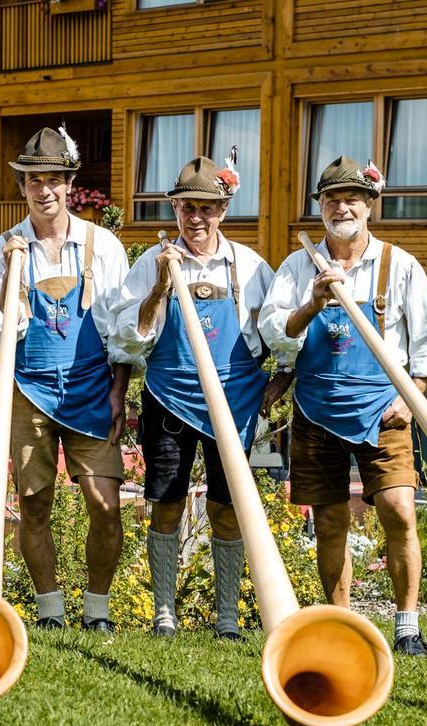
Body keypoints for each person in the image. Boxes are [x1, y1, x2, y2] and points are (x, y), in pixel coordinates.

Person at [260, 155, 427, 656]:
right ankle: (341, 624)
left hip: (384, 409)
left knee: (399, 511)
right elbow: (274, 331)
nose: (341, 207)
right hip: (316, 410)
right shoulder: (299, 265)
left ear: (369, 206)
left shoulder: (399, 265)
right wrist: (313, 304)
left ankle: (407, 626)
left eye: (351, 198)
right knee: (330, 521)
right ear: (319, 206)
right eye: (331, 199)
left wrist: (414, 399)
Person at [113, 155, 274, 640]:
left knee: (230, 506)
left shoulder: (250, 266)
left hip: (235, 402)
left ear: (222, 211)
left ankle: (227, 617)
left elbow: (278, 334)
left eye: (206, 208)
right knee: (165, 502)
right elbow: (126, 339)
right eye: (187, 208)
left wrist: (277, 384)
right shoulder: (151, 263)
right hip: (171, 396)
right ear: (176, 210)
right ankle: (165, 612)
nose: (196, 218)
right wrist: (162, 285)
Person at [0, 126, 131, 633]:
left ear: (70, 184)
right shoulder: (3, 249)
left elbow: (123, 331)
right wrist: (9, 280)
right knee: (34, 504)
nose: (43, 190)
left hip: (92, 390)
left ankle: (98, 609)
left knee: (105, 505)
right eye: (32, 180)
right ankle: (49, 612)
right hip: (28, 391)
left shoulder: (102, 245)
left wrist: (119, 392)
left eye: (53, 179)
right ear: (22, 188)